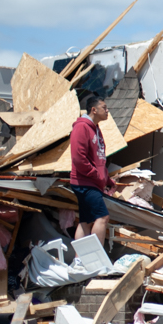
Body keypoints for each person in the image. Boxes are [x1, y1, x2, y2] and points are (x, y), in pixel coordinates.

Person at [69, 94, 114, 242]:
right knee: (102, 217)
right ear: (93, 110)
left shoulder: (95, 129)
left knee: (86, 222)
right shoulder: (82, 127)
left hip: (91, 182)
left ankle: (79, 260)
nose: (107, 111)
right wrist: (96, 175)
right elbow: (78, 158)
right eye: (104, 107)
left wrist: (106, 179)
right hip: (85, 182)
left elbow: (99, 158)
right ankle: (96, 261)